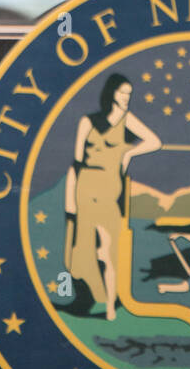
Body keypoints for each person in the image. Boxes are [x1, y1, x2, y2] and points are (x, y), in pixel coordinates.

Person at [65, 73, 160, 320]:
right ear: (111, 93)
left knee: (109, 251)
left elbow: (154, 141)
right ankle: (88, 300)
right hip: (86, 187)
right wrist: (70, 201)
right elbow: (76, 162)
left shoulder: (127, 120)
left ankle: (110, 306)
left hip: (110, 191)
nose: (126, 97)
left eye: (129, 93)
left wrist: (129, 154)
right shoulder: (88, 121)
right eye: (122, 92)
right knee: (85, 248)